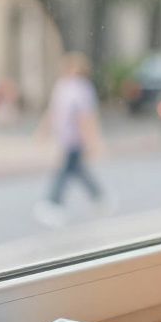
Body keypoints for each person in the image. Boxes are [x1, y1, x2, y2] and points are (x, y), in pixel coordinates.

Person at [34, 52, 112, 228]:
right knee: (75, 169)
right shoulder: (63, 86)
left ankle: (53, 203)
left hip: (74, 138)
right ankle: (98, 197)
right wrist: (43, 131)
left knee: (65, 170)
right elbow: (53, 111)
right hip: (65, 137)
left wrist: (92, 140)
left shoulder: (80, 88)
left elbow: (85, 117)